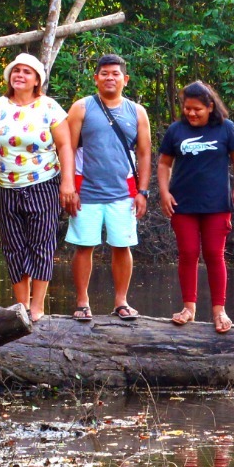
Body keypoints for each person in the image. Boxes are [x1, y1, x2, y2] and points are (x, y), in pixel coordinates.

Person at [64, 54, 151, 321]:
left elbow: (145, 153)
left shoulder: (137, 111)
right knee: (83, 246)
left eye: (115, 74)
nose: (109, 78)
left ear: (125, 79)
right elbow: (67, 147)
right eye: (104, 73)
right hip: (85, 189)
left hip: (123, 191)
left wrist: (142, 191)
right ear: (96, 78)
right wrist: (67, 185)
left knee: (121, 246)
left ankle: (121, 301)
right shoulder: (81, 107)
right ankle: (82, 302)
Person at [157, 81, 234, 334]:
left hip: (217, 203)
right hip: (182, 204)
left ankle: (219, 310)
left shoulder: (225, 128)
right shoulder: (176, 130)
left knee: (214, 254)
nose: (191, 113)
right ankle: (189, 308)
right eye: (187, 108)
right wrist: (164, 193)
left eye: (197, 109)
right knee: (187, 253)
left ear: (210, 107)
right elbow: (164, 164)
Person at [0, 53, 77, 319]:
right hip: (5, 185)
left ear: (37, 79)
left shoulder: (49, 106)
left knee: (41, 243)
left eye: (27, 72)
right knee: (13, 245)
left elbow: (64, 145)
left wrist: (67, 183)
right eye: (16, 70)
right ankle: (21, 305)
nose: (20, 75)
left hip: (43, 182)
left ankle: (38, 305)